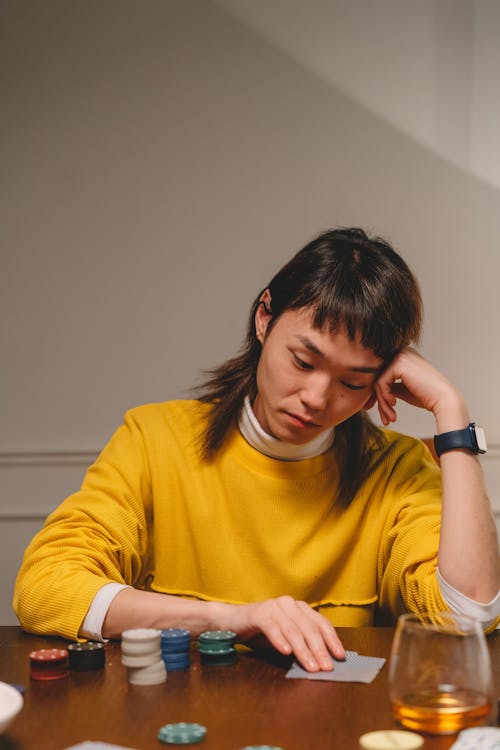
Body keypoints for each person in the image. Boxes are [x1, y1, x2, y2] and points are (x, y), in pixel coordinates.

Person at [14, 228, 500, 673]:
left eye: (353, 382)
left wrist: (451, 412)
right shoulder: (153, 439)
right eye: (303, 361)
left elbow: (469, 615)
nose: (316, 398)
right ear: (264, 317)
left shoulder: (395, 471)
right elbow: (45, 586)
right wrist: (227, 619)